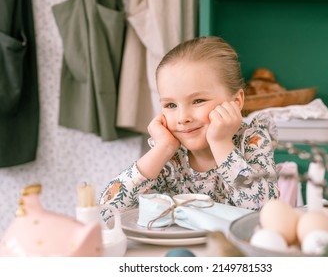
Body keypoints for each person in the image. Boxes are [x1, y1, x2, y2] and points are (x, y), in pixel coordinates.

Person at [99, 36, 279, 221]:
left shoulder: (252, 141)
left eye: (198, 101)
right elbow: (107, 212)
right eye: (170, 105)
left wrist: (221, 143)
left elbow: (264, 215)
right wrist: (163, 149)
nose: (183, 118)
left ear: (236, 101)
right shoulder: (171, 155)